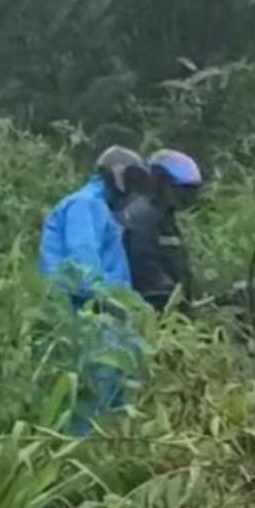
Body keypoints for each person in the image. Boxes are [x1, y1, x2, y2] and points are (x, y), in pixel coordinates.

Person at [38, 146, 146, 433]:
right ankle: (80, 459)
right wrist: (108, 302)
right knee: (92, 395)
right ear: (118, 176)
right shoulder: (86, 205)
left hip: (103, 319)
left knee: (115, 396)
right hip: (89, 318)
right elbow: (83, 263)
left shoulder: (97, 207)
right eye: (133, 182)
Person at [120, 149, 203, 313]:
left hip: (169, 307)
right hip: (148, 308)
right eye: (178, 191)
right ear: (158, 182)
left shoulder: (165, 216)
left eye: (188, 193)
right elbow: (143, 263)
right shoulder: (142, 216)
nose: (183, 199)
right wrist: (169, 293)